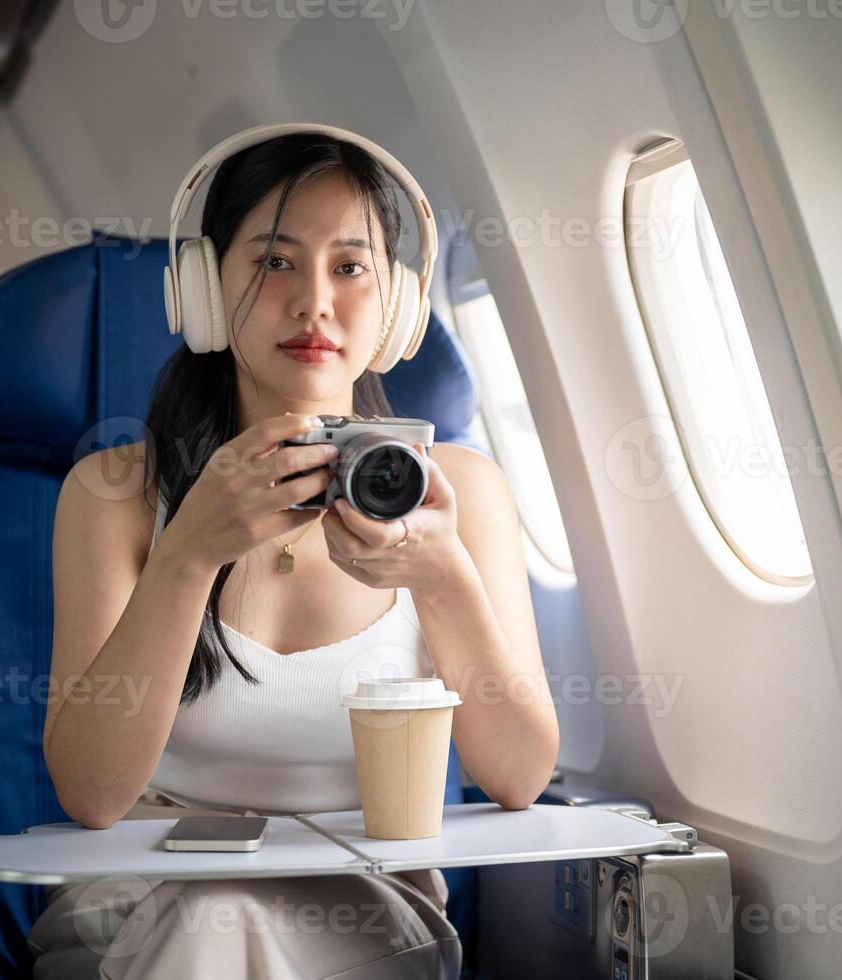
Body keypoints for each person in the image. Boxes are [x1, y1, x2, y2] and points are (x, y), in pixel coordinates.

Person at [31, 126, 559, 979]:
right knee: (214, 920)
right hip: (145, 899)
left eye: (350, 267)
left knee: (227, 927)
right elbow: (91, 798)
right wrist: (185, 558)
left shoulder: (462, 492)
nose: (313, 302)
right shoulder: (114, 493)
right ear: (203, 289)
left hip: (367, 897)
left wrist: (444, 581)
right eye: (273, 262)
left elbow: (520, 779)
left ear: (396, 303)